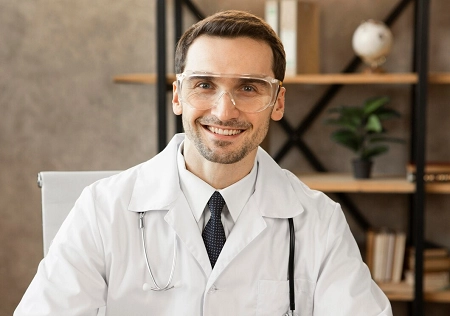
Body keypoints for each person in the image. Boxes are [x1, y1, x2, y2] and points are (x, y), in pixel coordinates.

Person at [15, 10, 392, 316]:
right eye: (204, 84)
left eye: (248, 87)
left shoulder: (319, 222)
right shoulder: (102, 210)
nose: (224, 111)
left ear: (277, 102)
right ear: (178, 95)